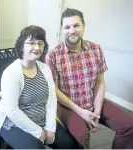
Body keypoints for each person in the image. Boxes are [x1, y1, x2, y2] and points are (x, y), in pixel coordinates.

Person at [45, 8, 133, 149]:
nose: (72, 30)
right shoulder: (53, 56)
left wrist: (96, 112)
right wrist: (82, 113)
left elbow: (100, 82)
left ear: (84, 27)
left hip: (92, 100)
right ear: (62, 30)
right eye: (67, 27)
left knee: (128, 125)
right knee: (80, 135)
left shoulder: (96, 49)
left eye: (76, 25)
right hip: (68, 106)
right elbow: (54, 90)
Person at [0, 25, 81, 149]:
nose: (37, 47)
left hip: (40, 117)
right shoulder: (11, 73)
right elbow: (12, 111)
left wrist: (50, 128)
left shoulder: (45, 69)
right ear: (21, 46)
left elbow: (51, 98)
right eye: (31, 43)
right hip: (13, 122)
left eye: (40, 43)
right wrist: (38, 132)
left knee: (70, 145)